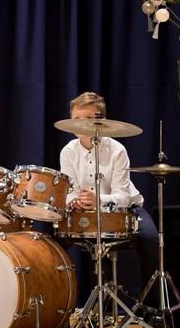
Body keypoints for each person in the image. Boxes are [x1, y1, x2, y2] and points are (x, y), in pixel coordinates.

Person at [59, 92, 159, 313]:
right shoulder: (68, 151)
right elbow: (69, 191)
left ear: (100, 120)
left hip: (126, 209)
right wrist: (74, 201)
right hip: (86, 211)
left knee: (150, 239)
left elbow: (122, 196)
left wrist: (98, 200)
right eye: (75, 118)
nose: (79, 124)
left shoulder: (117, 150)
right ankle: (58, 310)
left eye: (85, 118)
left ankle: (150, 311)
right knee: (52, 243)